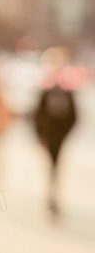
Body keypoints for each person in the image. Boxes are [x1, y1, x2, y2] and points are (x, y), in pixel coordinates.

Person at [32, 77, 78, 217]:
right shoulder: (46, 95)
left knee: (54, 168)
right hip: (49, 138)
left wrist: (64, 135)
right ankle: (52, 197)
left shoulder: (67, 95)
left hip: (58, 138)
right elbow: (38, 116)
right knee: (52, 168)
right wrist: (41, 135)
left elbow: (73, 118)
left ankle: (54, 197)